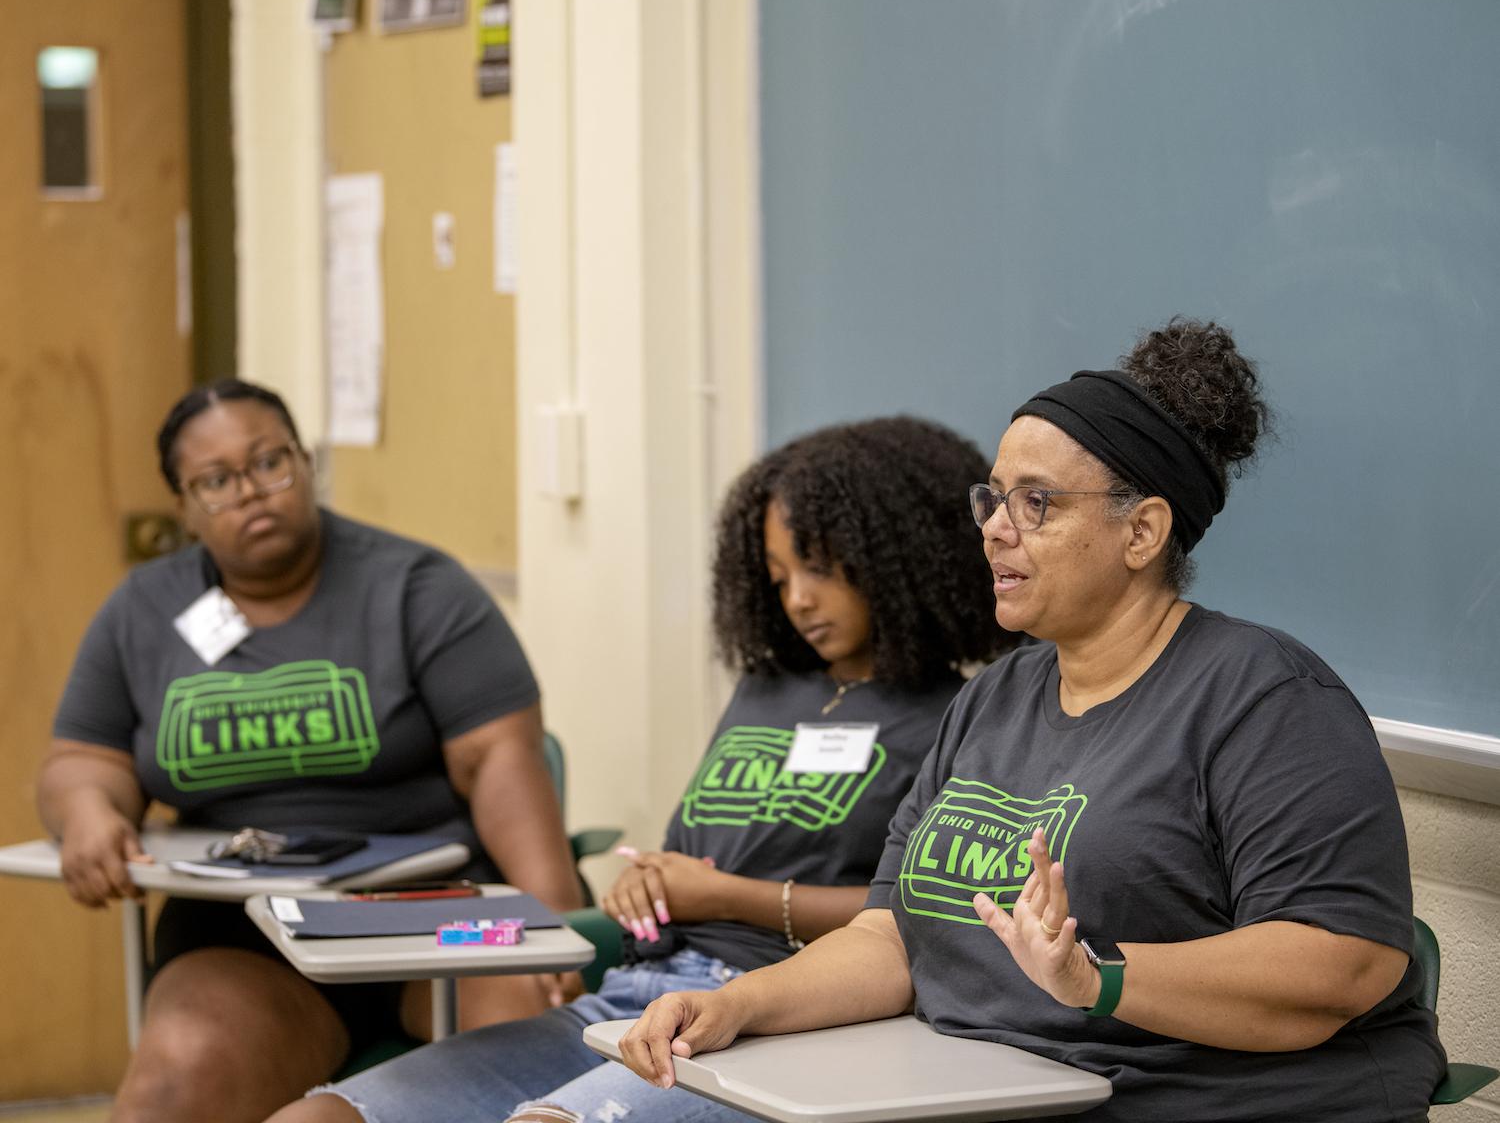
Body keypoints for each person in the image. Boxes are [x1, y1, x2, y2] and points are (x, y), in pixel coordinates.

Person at [618, 319, 1447, 1122]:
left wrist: (1096, 978)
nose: (993, 529)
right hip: (967, 1092)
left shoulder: (1266, 699)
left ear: (1142, 532)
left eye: (1037, 503)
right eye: (992, 499)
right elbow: (891, 939)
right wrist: (739, 1005)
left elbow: (1340, 966)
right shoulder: (994, 698)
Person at [266, 415, 1014, 1123]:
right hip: (635, 995)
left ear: (895, 557)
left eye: (818, 569)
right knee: (320, 1115)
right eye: (778, 575)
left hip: (774, 1018)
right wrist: (648, 884)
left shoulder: (955, 716)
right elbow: (702, 854)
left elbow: (917, 923)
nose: (798, 600)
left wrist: (726, 896)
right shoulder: (765, 692)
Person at [38, 379, 585, 1123]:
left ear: (305, 462)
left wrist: (552, 925)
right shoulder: (142, 609)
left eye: (270, 463)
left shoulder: (415, 587)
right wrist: (87, 811)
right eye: (217, 481)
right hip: (245, 934)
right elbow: (85, 758)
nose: (250, 492)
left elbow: (500, 759)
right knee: (175, 1081)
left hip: (434, 918)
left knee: (536, 1055)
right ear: (184, 506)